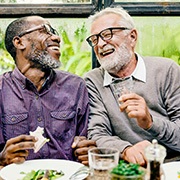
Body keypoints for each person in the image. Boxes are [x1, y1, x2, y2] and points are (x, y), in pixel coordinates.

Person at [84, 7, 180, 166]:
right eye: (94, 39)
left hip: (172, 166)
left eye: (107, 34)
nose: (100, 44)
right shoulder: (93, 80)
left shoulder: (166, 70)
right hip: (125, 169)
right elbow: (97, 133)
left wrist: (150, 122)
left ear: (132, 37)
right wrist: (126, 150)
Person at [0, 15, 96, 167]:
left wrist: (87, 150)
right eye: (45, 31)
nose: (57, 37)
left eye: (54, 31)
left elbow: (87, 143)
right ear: (19, 42)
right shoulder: (1, 90)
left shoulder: (76, 86)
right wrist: (2, 158)